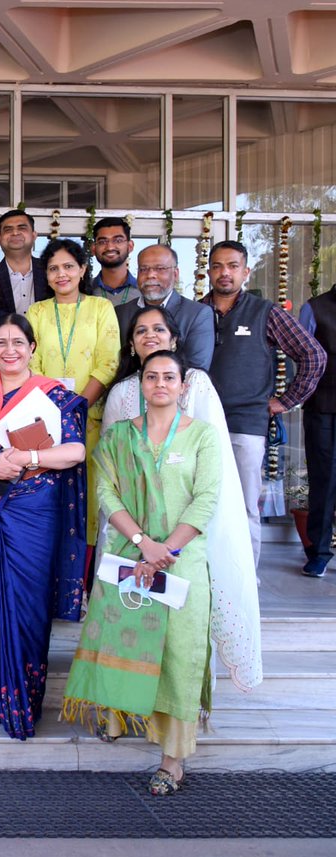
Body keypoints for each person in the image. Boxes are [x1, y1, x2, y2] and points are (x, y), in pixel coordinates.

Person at [64, 351, 223, 795]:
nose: (160, 384)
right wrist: (143, 545)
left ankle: (172, 761)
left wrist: (165, 549)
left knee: (176, 657)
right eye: (151, 377)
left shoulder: (203, 438)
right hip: (130, 556)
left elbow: (207, 500)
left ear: (182, 386)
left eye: (168, 377)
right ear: (140, 386)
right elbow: (106, 493)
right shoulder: (117, 437)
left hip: (181, 561)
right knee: (124, 640)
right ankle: (119, 717)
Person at [102, 306, 262, 691]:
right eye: (141, 330)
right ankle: (124, 708)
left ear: (174, 338)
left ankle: (179, 711)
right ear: (131, 341)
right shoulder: (121, 392)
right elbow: (110, 478)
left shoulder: (197, 385)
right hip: (132, 533)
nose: (150, 335)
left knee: (183, 632)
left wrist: (170, 542)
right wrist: (140, 539)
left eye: (159, 329)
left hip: (187, 531)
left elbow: (213, 468)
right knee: (126, 623)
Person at [0, 314, 87, 740]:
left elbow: (75, 451)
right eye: (0, 343)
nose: (9, 350)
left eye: (18, 342)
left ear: (32, 348)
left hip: (34, 511)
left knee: (28, 606)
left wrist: (26, 459)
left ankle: (24, 704)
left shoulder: (56, 396)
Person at [201, 240, 326, 567]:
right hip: (200, 423)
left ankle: (246, 578)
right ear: (209, 271)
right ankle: (208, 575)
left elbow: (313, 355)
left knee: (244, 506)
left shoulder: (264, 312)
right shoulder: (197, 311)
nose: (224, 273)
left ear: (245, 271)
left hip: (247, 424)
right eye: (217, 266)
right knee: (201, 503)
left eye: (232, 266)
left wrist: (285, 401)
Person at [27, 238, 120, 548]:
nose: (61, 274)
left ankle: (86, 579)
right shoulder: (36, 312)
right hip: (46, 419)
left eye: (68, 266)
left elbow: (108, 362)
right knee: (48, 492)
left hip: (89, 419)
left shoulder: (100, 307)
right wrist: (57, 409)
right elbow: (32, 363)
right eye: (53, 269)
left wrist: (76, 407)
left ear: (82, 269)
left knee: (91, 495)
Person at [115, 244, 214, 372]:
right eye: (143, 269)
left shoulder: (197, 314)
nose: (150, 275)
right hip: (128, 389)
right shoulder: (121, 313)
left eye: (160, 268)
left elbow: (196, 371)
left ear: (176, 274)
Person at [300, 289, 336, 577]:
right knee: (324, 480)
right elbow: (301, 356)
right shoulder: (315, 308)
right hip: (323, 407)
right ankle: (319, 552)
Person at [0, 209, 51, 315]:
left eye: (22, 228)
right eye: (8, 230)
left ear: (34, 235)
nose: (15, 233)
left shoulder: (51, 271)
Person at [89, 216, 137, 306]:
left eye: (118, 240)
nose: (110, 247)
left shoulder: (145, 291)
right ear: (93, 249)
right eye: (102, 242)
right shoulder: (84, 291)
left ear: (130, 246)